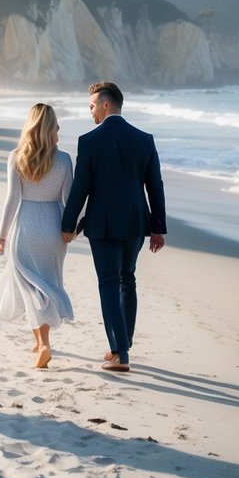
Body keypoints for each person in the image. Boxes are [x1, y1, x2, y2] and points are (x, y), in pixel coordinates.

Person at [61, 81, 166, 373]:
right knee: (127, 279)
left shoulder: (90, 141)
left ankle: (121, 354)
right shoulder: (144, 139)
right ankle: (122, 345)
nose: (91, 112)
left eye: (92, 106)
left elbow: (81, 188)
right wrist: (158, 227)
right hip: (135, 221)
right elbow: (154, 185)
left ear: (106, 105)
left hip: (103, 222)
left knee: (109, 283)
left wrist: (68, 225)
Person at [0, 103, 74, 369]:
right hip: (52, 227)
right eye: (56, 123)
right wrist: (69, 229)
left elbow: (11, 200)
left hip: (25, 227)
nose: (60, 128)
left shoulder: (17, 157)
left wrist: (2, 234)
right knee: (46, 285)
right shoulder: (63, 160)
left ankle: (45, 345)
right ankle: (39, 343)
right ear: (48, 127)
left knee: (29, 286)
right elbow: (68, 200)